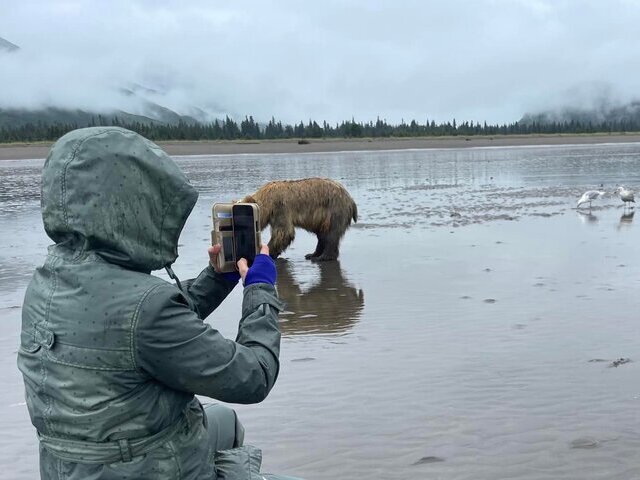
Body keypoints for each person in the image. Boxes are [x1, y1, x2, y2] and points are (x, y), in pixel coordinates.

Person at [17, 127, 298, 479]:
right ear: (132, 204)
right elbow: (254, 376)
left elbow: (143, 332)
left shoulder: (45, 282)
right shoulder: (146, 308)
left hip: (74, 467)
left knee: (224, 422)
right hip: (146, 469)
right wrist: (260, 289)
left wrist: (219, 276)